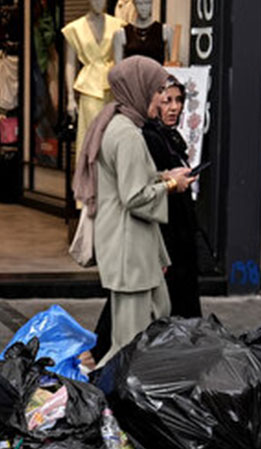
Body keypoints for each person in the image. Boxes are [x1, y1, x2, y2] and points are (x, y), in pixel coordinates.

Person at [73, 55, 192, 364]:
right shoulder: (126, 134)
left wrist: (163, 176)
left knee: (156, 318)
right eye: (155, 91)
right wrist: (170, 186)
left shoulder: (116, 125)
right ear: (138, 90)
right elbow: (135, 196)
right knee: (128, 344)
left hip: (133, 250)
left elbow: (126, 181)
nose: (160, 100)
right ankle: (111, 400)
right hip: (130, 251)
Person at [143, 75, 201, 318]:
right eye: (167, 101)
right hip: (165, 234)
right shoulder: (149, 137)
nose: (175, 107)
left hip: (180, 232)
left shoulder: (171, 136)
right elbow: (145, 187)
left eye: (178, 100)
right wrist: (171, 181)